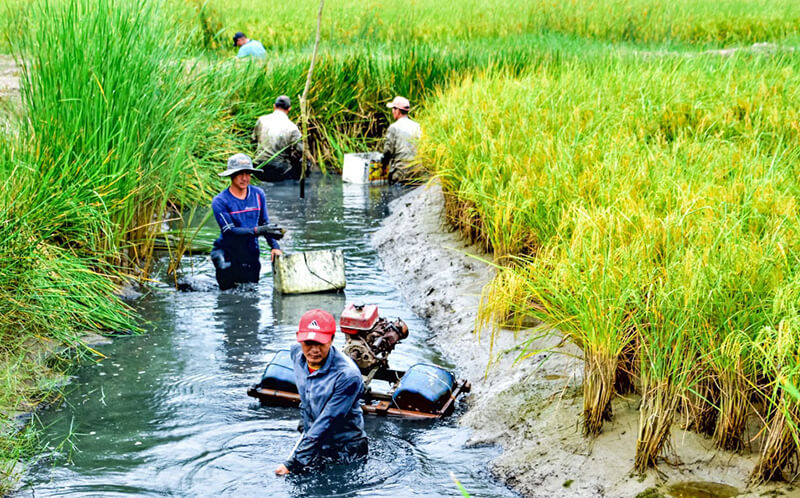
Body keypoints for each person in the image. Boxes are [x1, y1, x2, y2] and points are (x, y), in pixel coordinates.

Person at [275, 309, 368, 475]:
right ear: (299, 339)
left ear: (332, 340)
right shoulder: (296, 353)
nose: (314, 350)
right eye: (308, 343)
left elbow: (329, 420)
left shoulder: (348, 376)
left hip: (344, 449)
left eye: (320, 343)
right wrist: (304, 426)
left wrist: (292, 462)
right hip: (314, 438)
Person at [210, 153, 282, 290]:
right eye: (240, 173)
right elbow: (229, 231)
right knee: (228, 299)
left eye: (248, 173)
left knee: (251, 297)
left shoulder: (257, 194)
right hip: (226, 256)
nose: (245, 178)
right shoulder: (220, 201)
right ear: (231, 175)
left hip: (251, 254)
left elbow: (264, 223)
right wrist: (257, 231)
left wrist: (275, 246)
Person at [251, 95, 304, 182]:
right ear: (289, 109)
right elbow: (300, 151)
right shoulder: (292, 128)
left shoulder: (261, 120)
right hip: (279, 170)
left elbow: (253, 140)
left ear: (274, 106)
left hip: (258, 166)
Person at [381, 96, 422, 184]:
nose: (392, 111)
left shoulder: (394, 127)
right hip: (418, 173)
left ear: (398, 111)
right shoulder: (417, 126)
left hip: (401, 174)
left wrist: (383, 164)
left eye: (393, 109)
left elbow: (387, 151)